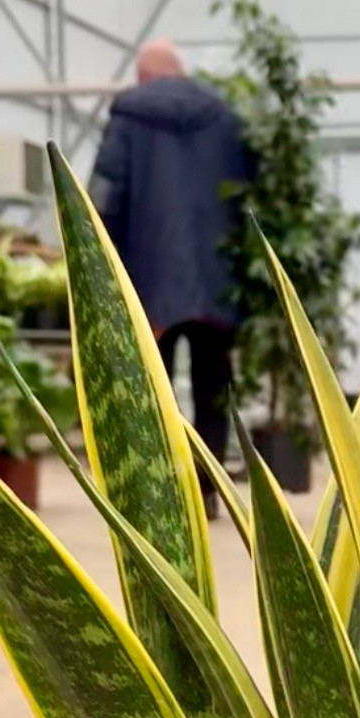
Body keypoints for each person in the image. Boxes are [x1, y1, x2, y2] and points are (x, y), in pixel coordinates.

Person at [90, 40, 251, 509]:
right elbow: (249, 196)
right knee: (214, 390)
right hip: (218, 281)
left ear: (143, 78)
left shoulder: (128, 117)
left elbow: (105, 196)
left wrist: (99, 261)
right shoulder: (225, 119)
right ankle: (209, 492)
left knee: (149, 393)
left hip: (148, 281)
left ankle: (156, 495)